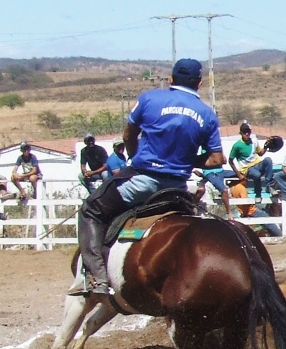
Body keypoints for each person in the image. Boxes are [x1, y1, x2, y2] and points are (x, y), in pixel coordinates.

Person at [68, 58, 224, 296]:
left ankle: (97, 278)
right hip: (178, 190)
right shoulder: (207, 114)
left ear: (170, 79)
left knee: (91, 209)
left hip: (142, 182)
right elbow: (216, 160)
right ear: (200, 83)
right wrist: (183, 161)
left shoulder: (149, 98)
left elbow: (128, 134)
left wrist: (135, 155)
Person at [228, 122, 277, 203]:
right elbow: (230, 161)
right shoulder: (237, 145)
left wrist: (266, 146)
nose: (247, 134)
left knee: (268, 159)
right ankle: (258, 194)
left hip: (257, 164)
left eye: (248, 132)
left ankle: (269, 186)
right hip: (247, 168)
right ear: (241, 133)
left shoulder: (254, 141)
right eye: (244, 132)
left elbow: (260, 153)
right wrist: (239, 174)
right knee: (257, 175)